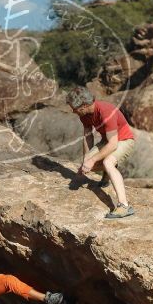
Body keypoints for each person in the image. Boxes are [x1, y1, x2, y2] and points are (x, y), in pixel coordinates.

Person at [66, 86, 136, 218]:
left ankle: (124, 206)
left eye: (74, 109)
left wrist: (92, 160)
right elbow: (88, 136)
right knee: (88, 165)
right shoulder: (85, 114)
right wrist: (86, 160)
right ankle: (106, 175)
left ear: (84, 105)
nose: (73, 111)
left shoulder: (105, 111)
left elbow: (113, 144)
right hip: (108, 141)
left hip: (124, 140)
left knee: (108, 162)